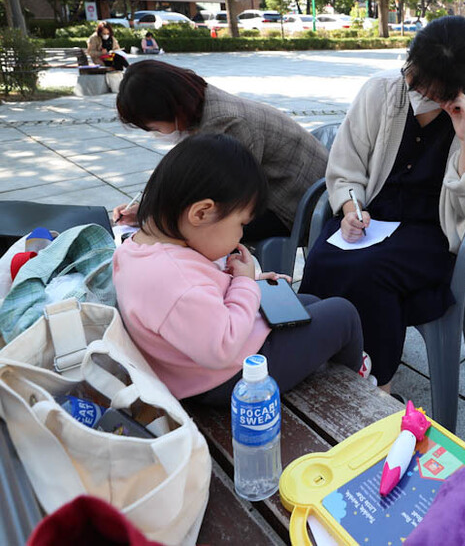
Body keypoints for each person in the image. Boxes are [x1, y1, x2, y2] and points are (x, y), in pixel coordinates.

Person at [298, 16, 465, 392]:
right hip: (371, 217)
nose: (419, 89)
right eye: (416, 77)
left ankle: (377, 385)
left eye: (434, 88)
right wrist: (349, 209)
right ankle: (317, 358)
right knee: (324, 257)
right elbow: (345, 168)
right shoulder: (381, 93)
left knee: (370, 274)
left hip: (431, 234)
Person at [112, 133, 365, 404]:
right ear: (201, 213)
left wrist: (240, 282)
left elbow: (198, 300)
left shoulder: (136, 247)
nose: (241, 235)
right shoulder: (178, 280)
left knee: (307, 303)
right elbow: (223, 345)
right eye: (241, 224)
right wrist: (245, 284)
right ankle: (355, 391)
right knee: (342, 314)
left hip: (190, 366)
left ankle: (320, 366)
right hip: (225, 379)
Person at [113, 60, 329, 242]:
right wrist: (146, 210)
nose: (156, 134)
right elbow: (193, 179)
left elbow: (221, 196)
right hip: (270, 190)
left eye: (154, 128)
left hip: (296, 206)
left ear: (171, 110)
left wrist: (153, 216)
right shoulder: (198, 103)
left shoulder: (226, 124)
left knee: (195, 231)